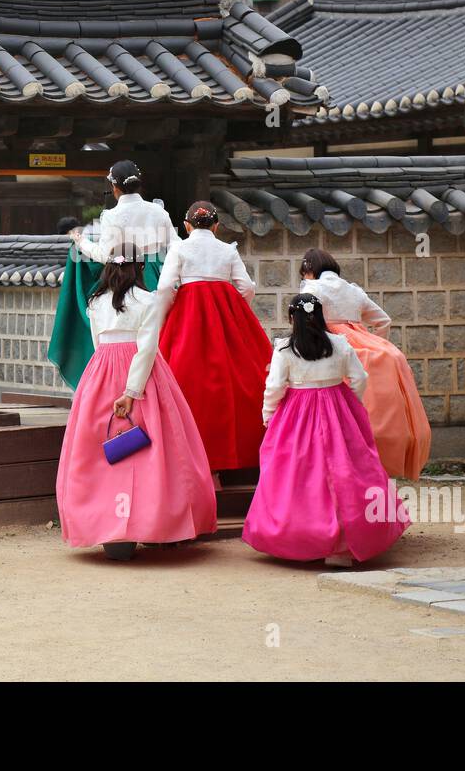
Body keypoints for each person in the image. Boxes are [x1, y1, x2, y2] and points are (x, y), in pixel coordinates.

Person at [55, 246, 218, 561]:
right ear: (139, 268)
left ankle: (109, 531)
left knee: (100, 451)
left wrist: (107, 380)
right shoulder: (149, 300)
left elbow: (97, 344)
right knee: (158, 448)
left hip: (100, 375)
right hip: (143, 375)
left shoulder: (95, 303)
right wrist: (132, 390)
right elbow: (147, 348)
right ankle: (159, 524)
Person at [242, 293, 409, 565]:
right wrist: (348, 403)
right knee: (345, 470)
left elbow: (274, 387)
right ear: (321, 315)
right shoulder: (339, 344)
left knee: (297, 474)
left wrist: (268, 414)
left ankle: (302, 537)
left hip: (296, 413)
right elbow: (359, 378)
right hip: (336, 407)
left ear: (291, 318)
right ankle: (344, 544)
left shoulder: (285, 349)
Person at [155, 201, 271, 477]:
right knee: (239, 379)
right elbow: (247, 287)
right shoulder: (226, 249)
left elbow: (164, 287)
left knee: (185, 379)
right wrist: (231, 308)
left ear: (186, 226)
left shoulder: (179, 248)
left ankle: (188, 458)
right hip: (226, 315)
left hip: (188, 316)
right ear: (217, 226)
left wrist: (164, 318)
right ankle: (239, 458)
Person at [298, 248, 431, 479]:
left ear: (309, 269)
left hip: (327, 342)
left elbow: (307, 322)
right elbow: (383, 320)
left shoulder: (311, 288)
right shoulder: (353, 290)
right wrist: (376, 343)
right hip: (362, 340)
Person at [47, 160, 180, 389]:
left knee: (122, 336)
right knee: (158, 338)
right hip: (155, 277)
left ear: (114, 187)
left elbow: (104, 255)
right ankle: (158, 388)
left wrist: (82, 243)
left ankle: (117, 385)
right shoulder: (158, 211)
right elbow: (176, 247)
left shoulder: (111, 215)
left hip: (125, 277)